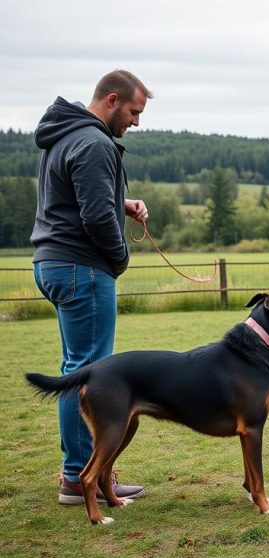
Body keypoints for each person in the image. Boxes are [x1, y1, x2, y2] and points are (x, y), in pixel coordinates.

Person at [31, 70, 152, 504]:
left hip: (52, 262)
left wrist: (121, 200)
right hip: (82, 267)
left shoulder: (65, 134)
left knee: (77, 370)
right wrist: (120, 258)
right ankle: (80, 477)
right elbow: (96, 218)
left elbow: (75, 195)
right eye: (134, 112)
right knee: (89, 376)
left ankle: (81, 473)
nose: (136, 122)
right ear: (113, 100)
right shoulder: (96, 142)